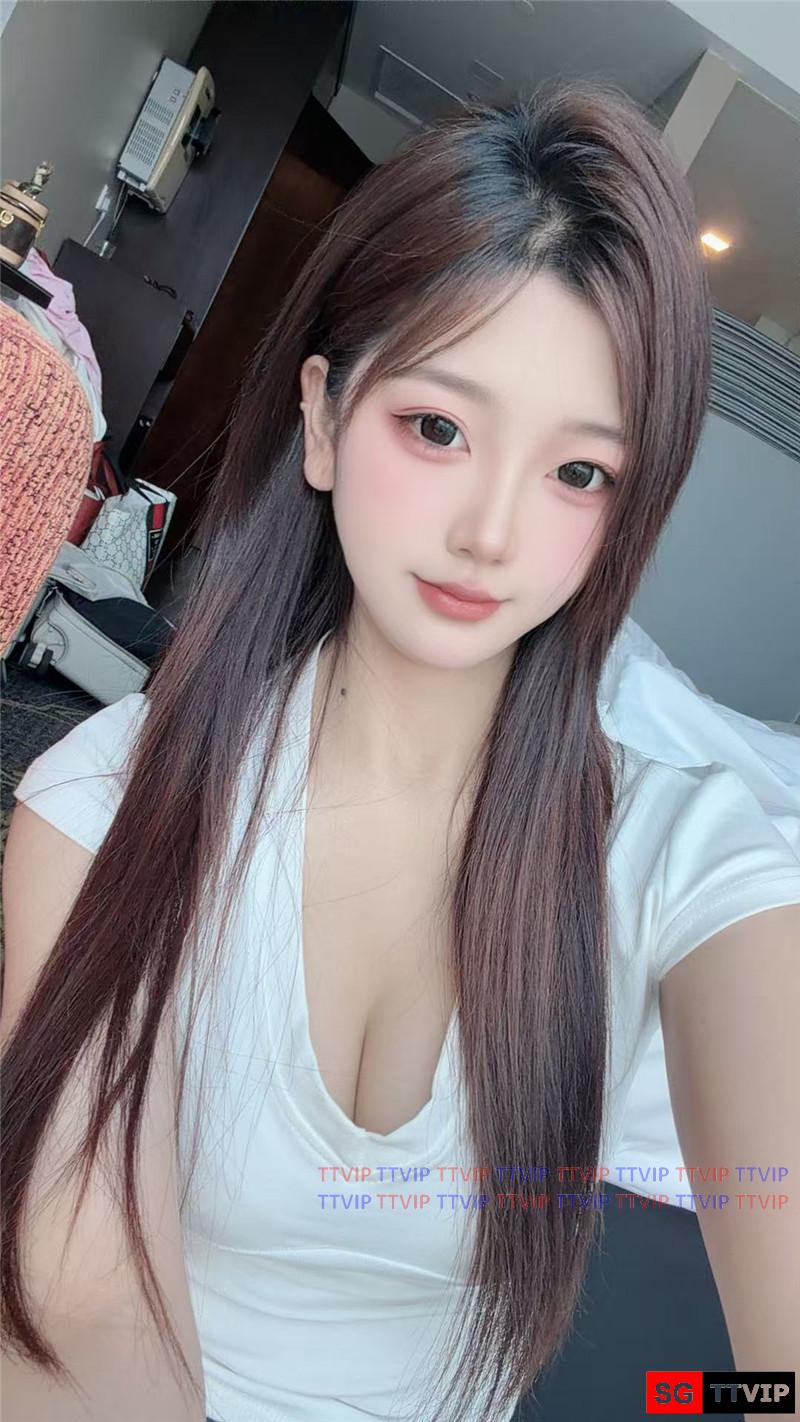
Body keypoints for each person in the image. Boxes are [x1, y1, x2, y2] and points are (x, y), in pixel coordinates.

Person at [2, 77, 799, 1422]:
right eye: (438, 428)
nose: (492, 532)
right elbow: (78, 1317)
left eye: (578, 472)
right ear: (322, 418)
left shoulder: (687, 853)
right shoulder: (99, 808)